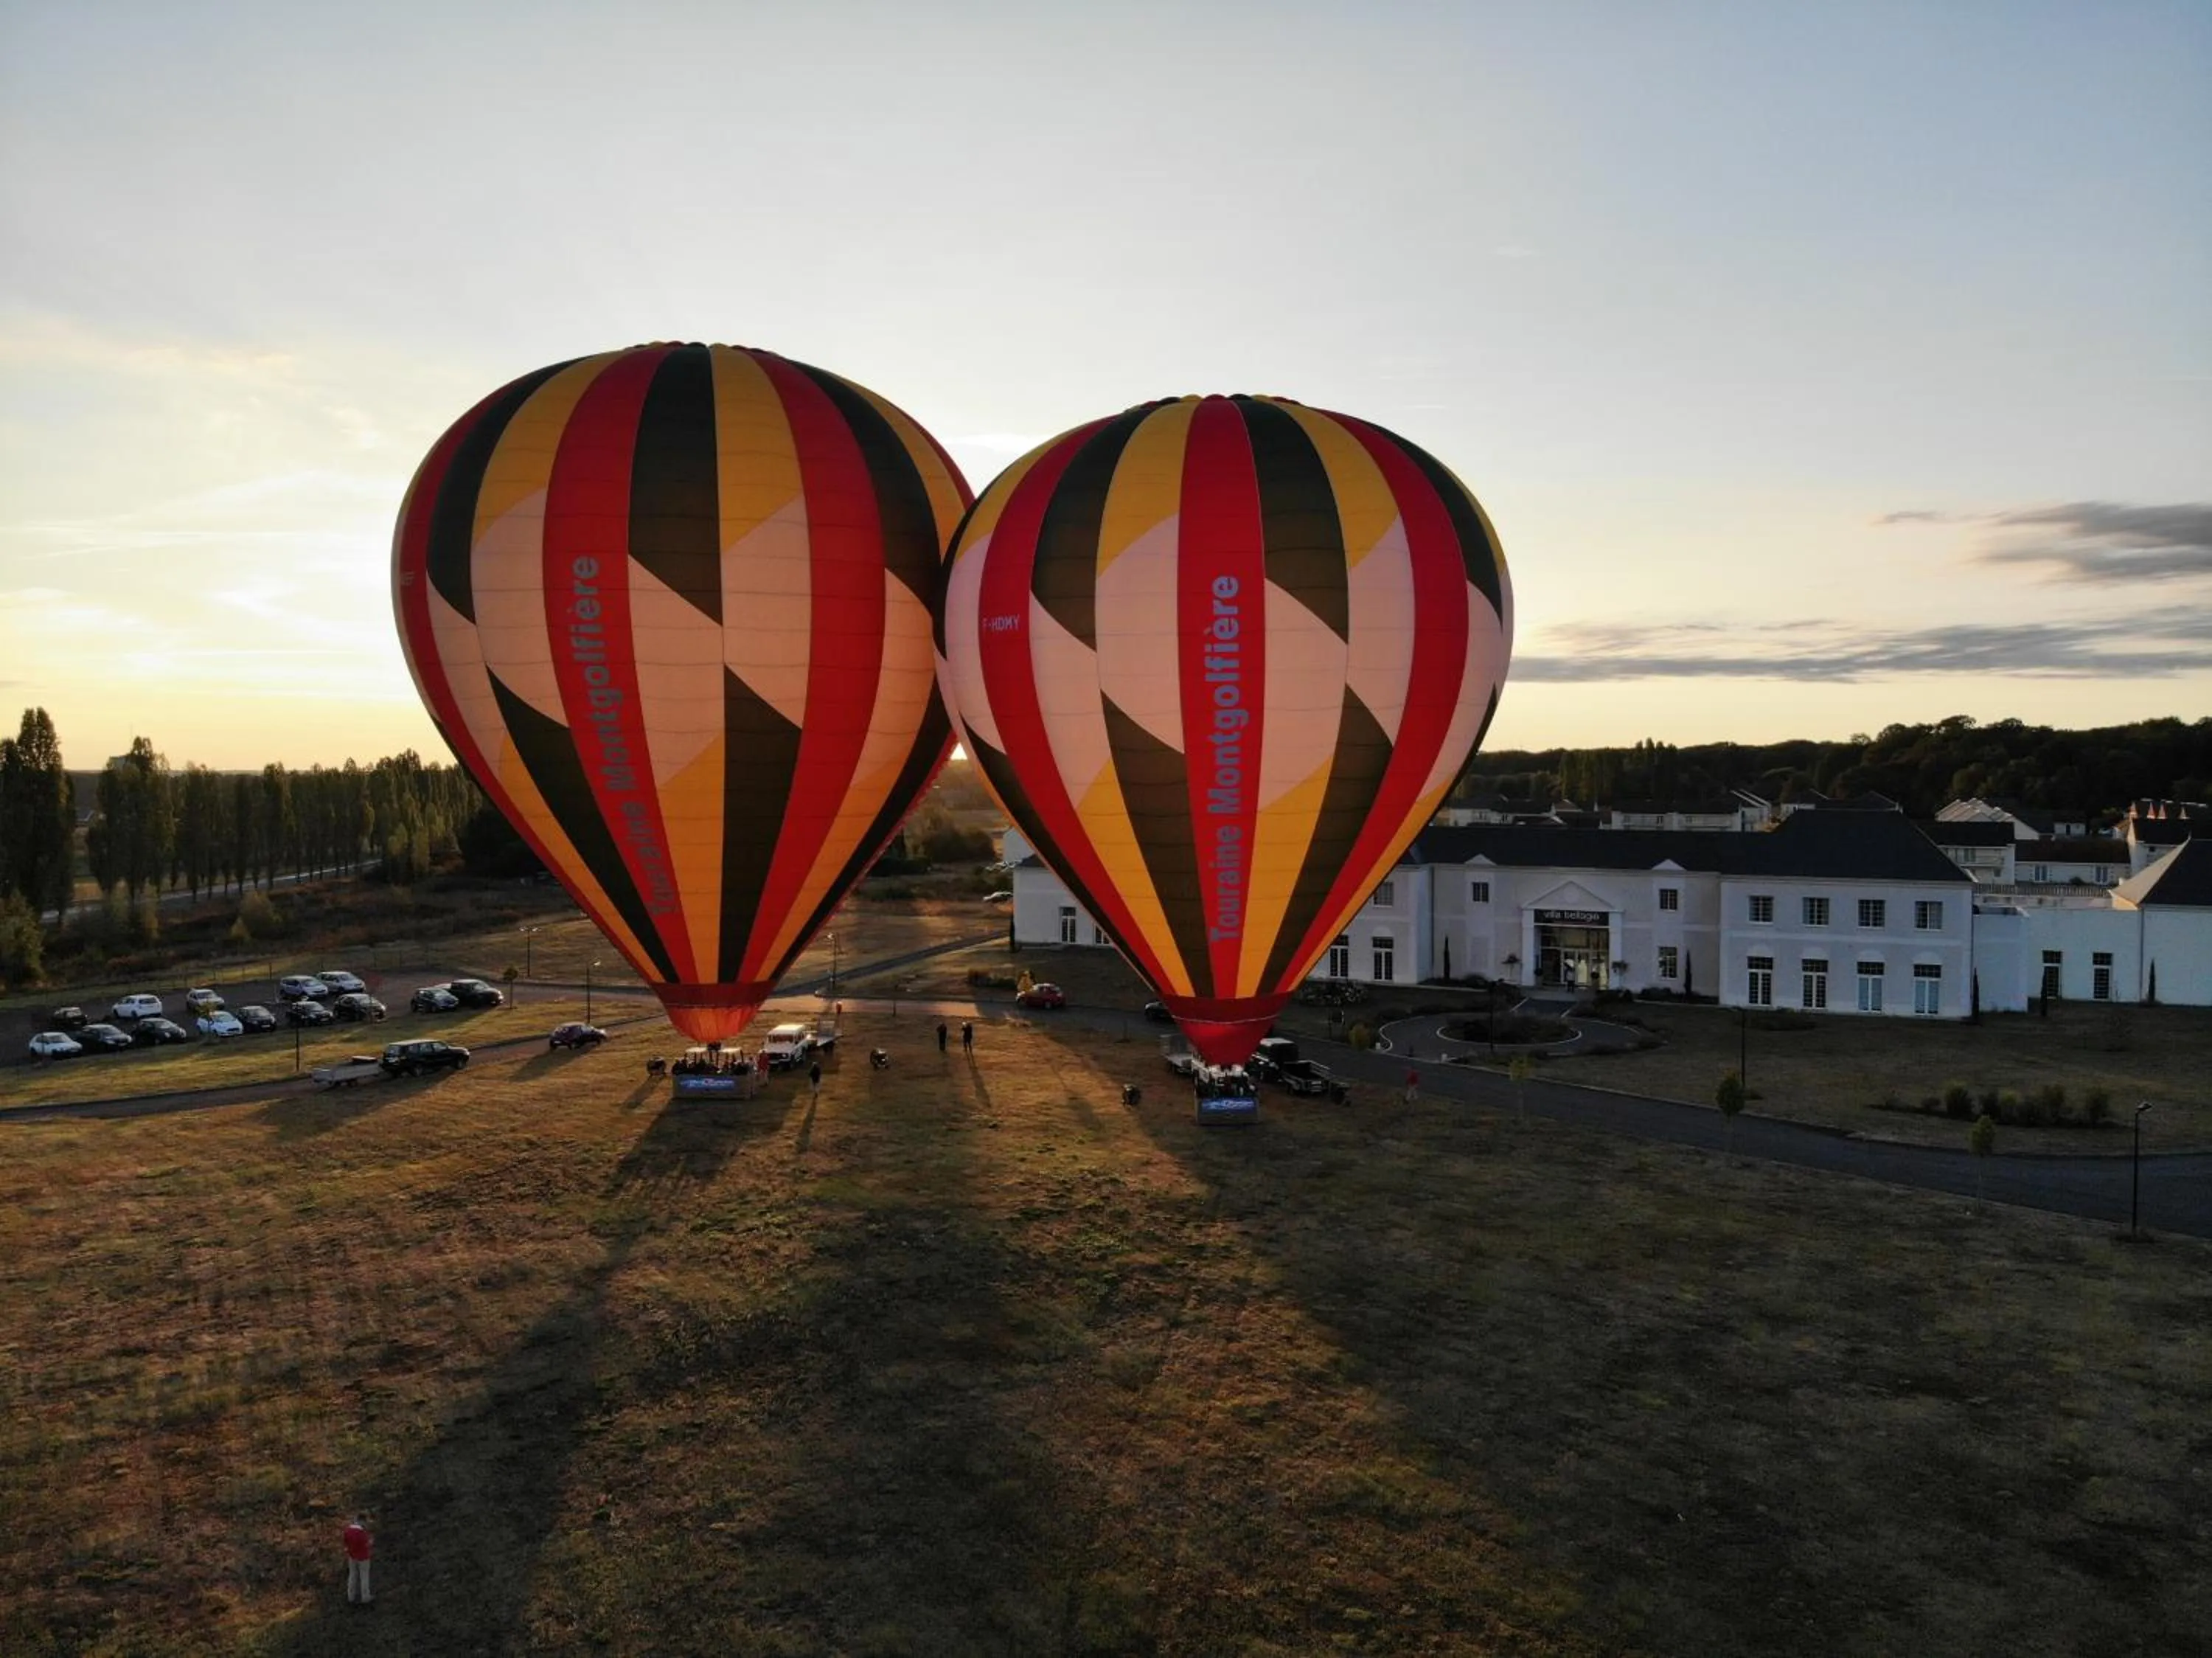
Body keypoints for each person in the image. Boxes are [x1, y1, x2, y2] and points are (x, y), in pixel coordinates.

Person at [342, 1514, 373, 1606]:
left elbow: (346, 1543)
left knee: (352, 1576)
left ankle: (350, 1596)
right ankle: (365, 1597)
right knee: (364, 1577)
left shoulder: (347, 1530)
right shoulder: (362, 1532)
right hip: (363, 1557)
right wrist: (371, 1542)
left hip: (352, 1556)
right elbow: (366, 1544)